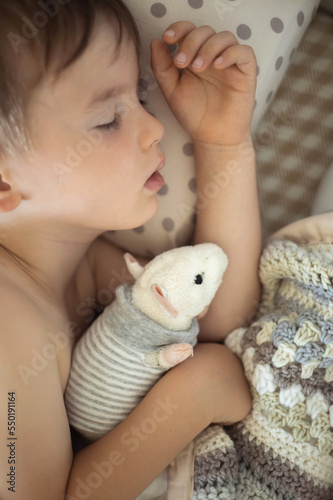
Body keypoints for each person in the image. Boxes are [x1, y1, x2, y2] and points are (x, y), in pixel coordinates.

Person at [0, 1, 261, 499]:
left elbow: (215, 320)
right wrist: (193, 396)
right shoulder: (7, 322)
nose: (155, 126)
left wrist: (224, 145)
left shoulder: (84, 265)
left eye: (139, 95)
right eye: (107, 120)